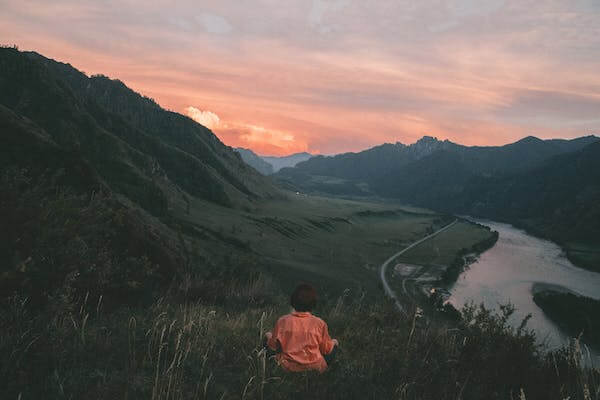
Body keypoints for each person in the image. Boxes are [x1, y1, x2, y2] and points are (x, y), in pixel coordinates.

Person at [265, 283, 339, 373]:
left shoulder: (282, 321)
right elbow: (326, 350)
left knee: (267, 338)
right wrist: (334, 342)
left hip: (286, 367)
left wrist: (268, 336)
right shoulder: (320, 323)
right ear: (313, 303)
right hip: (315, 368)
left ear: (293, 301)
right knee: (334, 345)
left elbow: (273, 347)